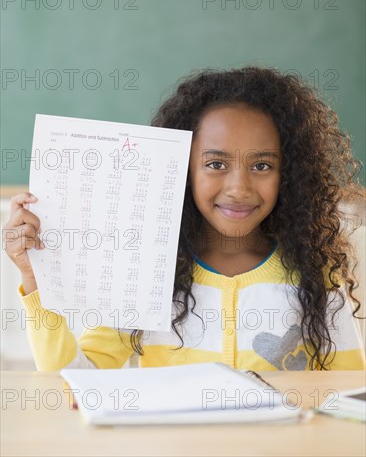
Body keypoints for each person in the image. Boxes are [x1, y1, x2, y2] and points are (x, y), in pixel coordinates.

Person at [3, 65, 366, 371]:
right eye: (215, 164)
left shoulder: (318, 278)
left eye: (261, 165)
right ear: (182, 170)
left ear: (288, 173)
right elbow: (77, 384)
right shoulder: (143, 277)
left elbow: (347, 397)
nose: (239, 188)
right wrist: (35, 281)